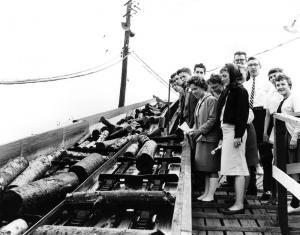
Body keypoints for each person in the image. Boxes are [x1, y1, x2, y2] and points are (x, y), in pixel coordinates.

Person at [216, 63, 249, 214]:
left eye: (225, 75)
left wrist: (238, 136)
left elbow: (242, 114)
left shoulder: (240, 91)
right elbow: (222, 114)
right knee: (234, 166)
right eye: (222, 76)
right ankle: (238, 199)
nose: (222, 78)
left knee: (238, 168)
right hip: (227, 131)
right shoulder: (227, 91)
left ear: (232, 75)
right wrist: (222, 136)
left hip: (235, 131)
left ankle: (239, 204)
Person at [187, 76, 220, 202]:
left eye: (195, 89)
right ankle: (206, 193)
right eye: (191, 90)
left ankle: (211, 195)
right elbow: (197, 120)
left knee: (212, 168)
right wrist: (192, 130)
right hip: (202, 138)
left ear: (202, 87)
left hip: (210, 138)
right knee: (205, 168)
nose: (193, 91)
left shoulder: (211, 99)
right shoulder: (200, 100)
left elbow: (213, 119)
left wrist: (199, 131)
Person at [243, 57, 272, 195]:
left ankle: (267, 189)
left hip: (262, 116)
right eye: (250, 65)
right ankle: (251, 187)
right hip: (249, 116)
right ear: (247, 68)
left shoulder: (267, 84)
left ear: (260, 66)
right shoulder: (246, 85)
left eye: (255, 64)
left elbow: (270, 106)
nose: (253, 67)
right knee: (250, 151)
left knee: (265, 153)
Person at [274, 73, 300, 213]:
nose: (280, 87)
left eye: (283, 84)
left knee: (295, 170)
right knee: (291, 170)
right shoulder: (284, 100)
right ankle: (295, 201)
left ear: (289, 84)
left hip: (294, 137)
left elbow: (299, 118)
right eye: (278, 85)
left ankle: (296, 204)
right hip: (286, 138)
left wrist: (295, 137)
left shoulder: (294, 98)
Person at [260, 68, 283, 201]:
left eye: (276, 76)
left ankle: (279, 191)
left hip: (283, 127)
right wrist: (264, 131)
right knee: (267, 159)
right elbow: (267, 114)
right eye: (271, 77)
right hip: (272, 126)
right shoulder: (269, 94)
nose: (274, 78)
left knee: (280, 160)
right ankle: (268, 189)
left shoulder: (288, 91)